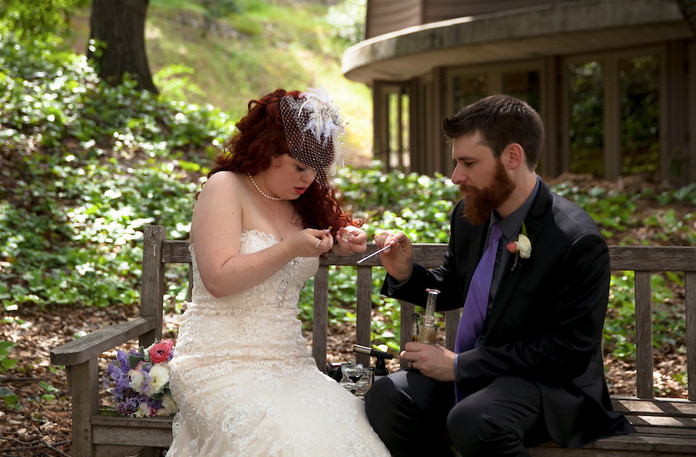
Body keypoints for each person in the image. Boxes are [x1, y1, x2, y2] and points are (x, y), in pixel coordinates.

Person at [364, 94, 636, 456]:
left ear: (512, 156)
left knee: (475, 419)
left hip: (549, 385)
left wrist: (460, 365)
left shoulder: (576, 240)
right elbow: (454, 287)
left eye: (468, 162)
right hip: (484, 374)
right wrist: (405, 275)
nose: (455, 176)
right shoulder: (469, 214)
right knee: (389, 396)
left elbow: (566, 352)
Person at [166, 88, 391, 457]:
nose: (309, 178)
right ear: (268, 151)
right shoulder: (225, 188)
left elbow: (309, 241)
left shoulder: (300, 203)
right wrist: (290, 248)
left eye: (317, 169)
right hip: (217, 363)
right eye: (299, 166)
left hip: (290, 364)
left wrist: (339, 239)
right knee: (281, 439)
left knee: (351, 435)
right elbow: (219, 279)